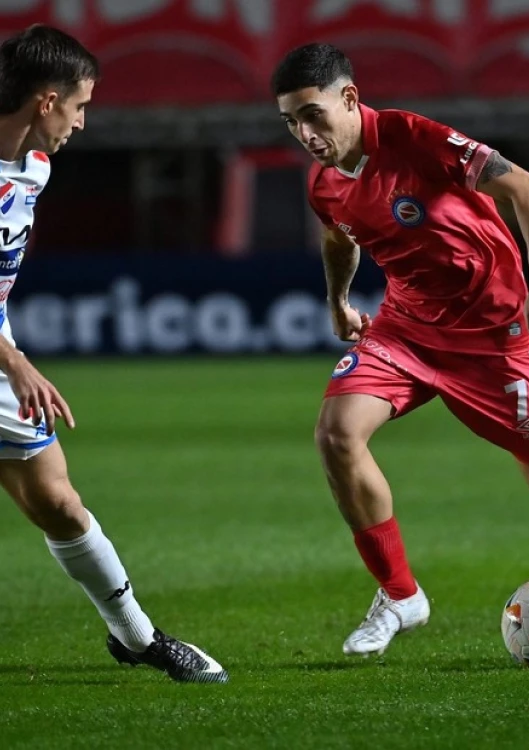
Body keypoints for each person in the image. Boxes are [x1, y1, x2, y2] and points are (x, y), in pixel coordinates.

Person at [271, 43, 529, 662]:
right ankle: (399, 594)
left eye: (313, 114)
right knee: (336, 434)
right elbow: (339, 238)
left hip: (493, 342)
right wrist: (338, 301)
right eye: (291, 123)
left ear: (350, 98)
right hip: (405, 331)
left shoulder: (416, 138)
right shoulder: (325, 182)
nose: (306, 133)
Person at [0, 24, 227, 683]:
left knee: (59, 503)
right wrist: (17, 364)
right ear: (46, 101)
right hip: (6, 362)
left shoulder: (34, 168)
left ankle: (138, 637)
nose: (83, 121)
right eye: (80, 105)